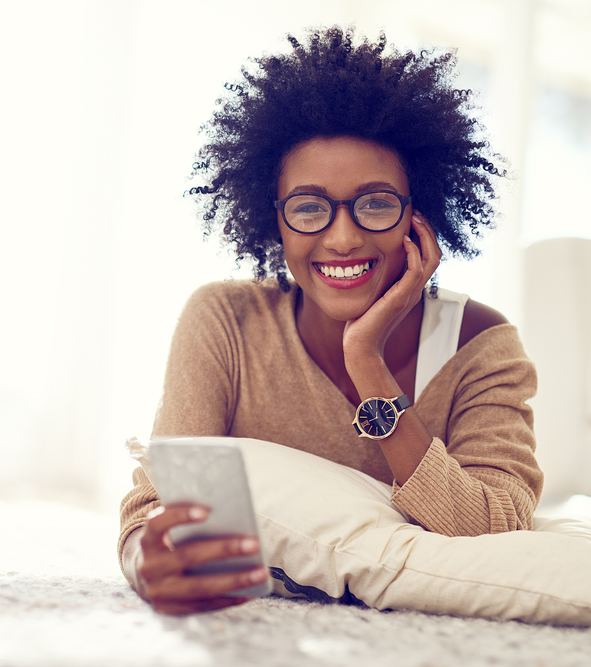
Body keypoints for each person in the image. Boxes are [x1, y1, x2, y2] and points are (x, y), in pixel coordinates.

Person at [118, 26, 543, 615]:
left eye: (374, 203)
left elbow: (496, 532)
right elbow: (154, 502)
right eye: (310, 208)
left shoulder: (482, 345)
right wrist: (147, 558)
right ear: (276, 222)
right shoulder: (225, 320)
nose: (342, 239)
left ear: (417, 216)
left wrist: (366, 361)